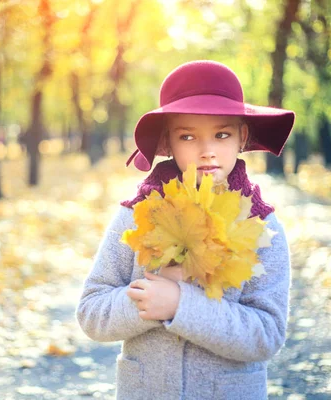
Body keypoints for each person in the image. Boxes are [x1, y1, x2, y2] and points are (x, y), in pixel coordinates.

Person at [76, 60, 295, 399]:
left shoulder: (261, 226)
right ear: (167, 143)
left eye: (221, 134)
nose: (207, 150)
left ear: (242, 137)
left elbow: (266, 335)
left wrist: (182, 305)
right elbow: (92, 311)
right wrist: (144, 304)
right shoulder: (136, 215)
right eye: (188, 136)